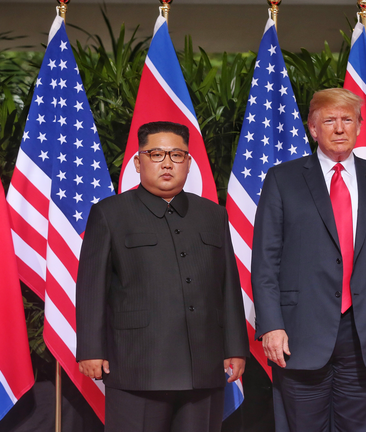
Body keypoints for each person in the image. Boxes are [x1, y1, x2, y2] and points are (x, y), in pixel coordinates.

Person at [251, 88, 366, 432]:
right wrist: (270, 324)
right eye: (330, 120)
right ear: (313, 129)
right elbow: (265, 261)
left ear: (359, 126)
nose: (339, 128)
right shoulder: (282, 180)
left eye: (347, 119)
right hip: (299, 333)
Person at [76, 121, 248, 432]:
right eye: (156, 154)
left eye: (177, 155)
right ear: (139, 163)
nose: (167, 163)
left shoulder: (213, 214)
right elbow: (92, 288)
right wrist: (90, 349)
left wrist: (235, 347)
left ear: (189, 163)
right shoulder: (110, 213)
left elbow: (228, 287)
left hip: (203, 365)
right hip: (137, 365)